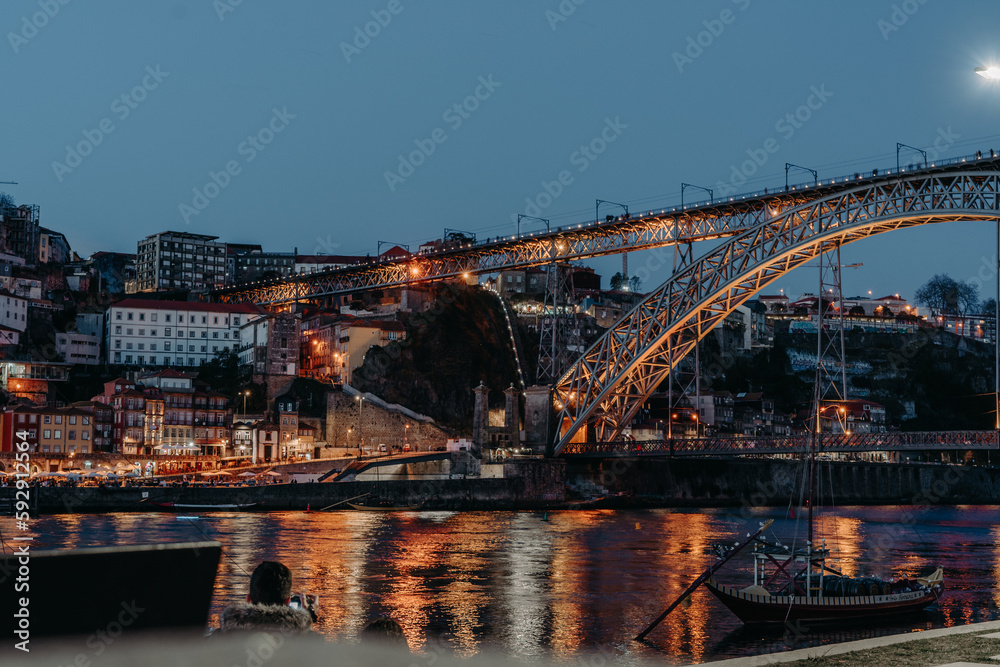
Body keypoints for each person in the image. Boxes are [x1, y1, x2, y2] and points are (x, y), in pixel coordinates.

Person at [218, 561, 314, 634]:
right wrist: (306, 619)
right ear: (288, 601)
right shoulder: (308, 641)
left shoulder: (220, 638)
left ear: (248, 600)